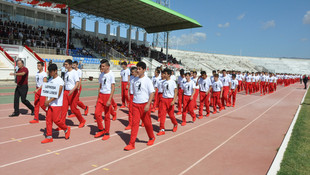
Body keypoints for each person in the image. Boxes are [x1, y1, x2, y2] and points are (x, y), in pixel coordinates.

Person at [124, 61, 155, 151]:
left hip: (144, 105)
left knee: (147, 123)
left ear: (144, 70)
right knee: (135, 123)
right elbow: (133, 93)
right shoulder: (134, 80)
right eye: (137, 68)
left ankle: (151, 137)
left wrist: (148, 104)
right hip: (135, 104)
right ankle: (132, 143)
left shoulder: (147, 80)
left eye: (140, 69)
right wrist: (132, 103)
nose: (138, 70)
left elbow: (152, 93)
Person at [41, 63, 71, 144]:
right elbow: (47, 91)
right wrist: (46, 100)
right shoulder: (50, 80)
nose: (49, 73)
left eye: (51, 71)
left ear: (55, 71)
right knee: (48, 120)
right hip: (50, 104)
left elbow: (57, 94)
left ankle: (66, 128)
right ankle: (49, 136)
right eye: (49, 71)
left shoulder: (60, 81)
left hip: (57, 104)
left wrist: (49, 101)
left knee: (56, 120)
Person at [93, 59, 117, 140]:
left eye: (103, 66)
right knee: (97, 114)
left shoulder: (111, 74)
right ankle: (101, 129)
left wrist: (110, 99)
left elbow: (113, 88)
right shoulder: (101, 75)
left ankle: (107, 132)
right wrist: (98, 98)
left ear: (108, 66)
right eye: (101, 66)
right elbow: (100, 86)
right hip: (101, 96)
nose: (102, 67)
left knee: (107, 116)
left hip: (107, 96)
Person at [60, 59, 86, 129]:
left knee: (73, 109)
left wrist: (72, 90)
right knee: (64, 108)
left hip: (73, 92)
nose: (65, 66)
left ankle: (82, 120)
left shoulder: (74, 72)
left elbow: (77, 83)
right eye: (64, 64)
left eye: (66, 64)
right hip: (66, 92)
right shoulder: (66, 73)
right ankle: (61, 124)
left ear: (70, 65)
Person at [157, 68, 178, 136]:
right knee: (162, 115)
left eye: (165, 74)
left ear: (169, 75)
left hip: (170, 100)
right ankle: (162, 129)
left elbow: (176, 91)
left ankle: (175, 124)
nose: (164, 75)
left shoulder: (173, 82)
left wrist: (174, 100)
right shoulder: (163, 82)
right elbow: (163, 91)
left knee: (171, 115)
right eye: (163, 74)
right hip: (164, 99)